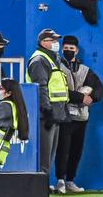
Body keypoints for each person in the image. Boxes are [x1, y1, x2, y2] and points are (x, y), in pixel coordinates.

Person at [56, 36, 103, 194]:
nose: (69, 51)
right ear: (62, 49)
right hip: (64, 116)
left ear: (76, 50)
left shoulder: (85, 70)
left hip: (82, 117)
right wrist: (80, 97)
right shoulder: (57, 67)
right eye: (66, 48)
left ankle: (70, 180)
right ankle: (60, 181)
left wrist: (91, 98)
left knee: (76, 150)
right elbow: (59, 91)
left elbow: (98, 88)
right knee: (63, 149)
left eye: (72, 48)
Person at [27, 28, 69, 184]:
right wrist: (47, 110)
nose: (56, 44)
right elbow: (41, 87)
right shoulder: (39, 60)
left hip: (55, 113)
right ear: (43, 42)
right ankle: (40, 187)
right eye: (53, 41)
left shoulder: (52, 58)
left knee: (50, 155)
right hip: (46, 115)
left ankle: (44, 185)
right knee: (44, 156)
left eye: (56, 41)